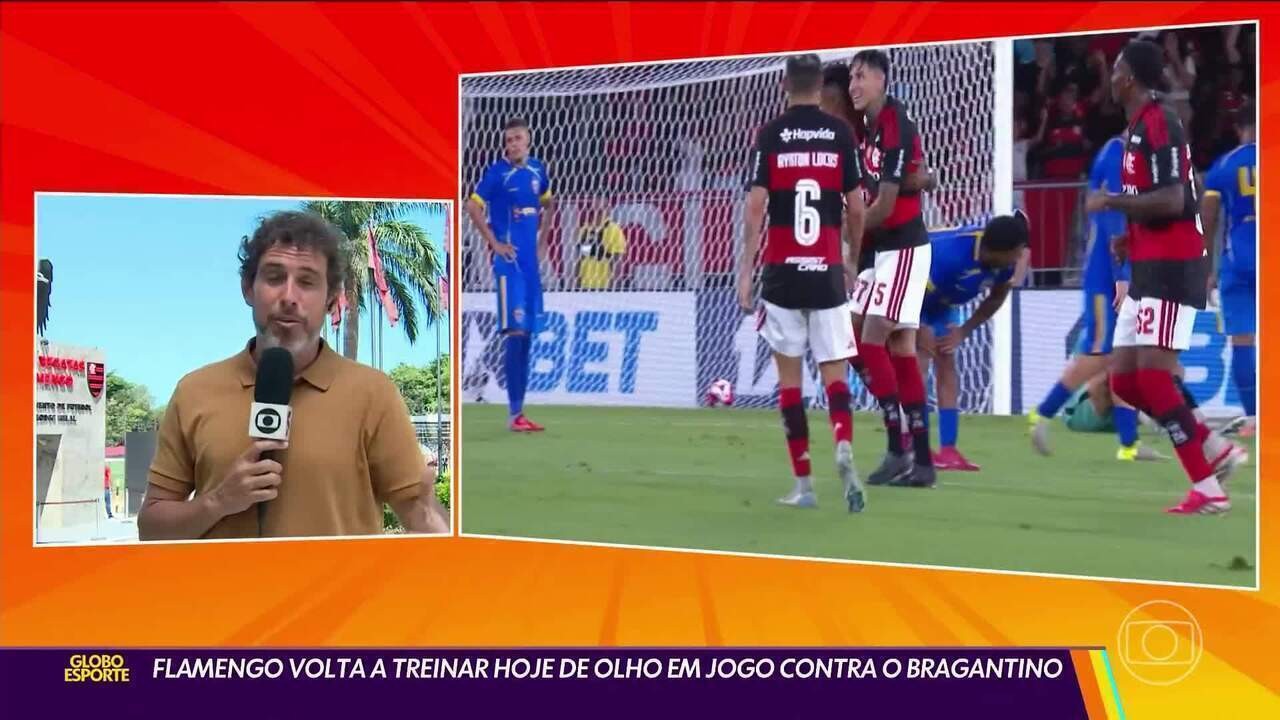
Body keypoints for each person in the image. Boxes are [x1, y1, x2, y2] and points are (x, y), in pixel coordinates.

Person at [137, 211, 449, 540]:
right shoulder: (195, 391)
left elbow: (422, 516)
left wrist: (430, 514)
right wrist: (218, 501)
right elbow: (151, 530)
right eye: (274, 278)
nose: (288, 297)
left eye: (307, 282)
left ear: (331, 299)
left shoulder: (373, 393)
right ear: (248, 289)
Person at [1086, 40, 1242, 515]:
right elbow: (1160, 198)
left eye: (1116, 69)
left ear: (1131, 77)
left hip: (1173, 266)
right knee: (1126, 381)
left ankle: (1208, 488)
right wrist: (1130, 237)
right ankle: (1214, 448)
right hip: (1148, 263)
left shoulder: (1160, 122)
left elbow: (1174, 199)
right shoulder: (1136, 127)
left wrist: (1112, 202)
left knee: (1154, 378)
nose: (1112, 77)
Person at [736, 53, 867, 512]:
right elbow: (857, 206)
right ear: (819, 85)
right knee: (835, 374)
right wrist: (851, 258)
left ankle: (805, 484)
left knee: (790, 383)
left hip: (782, 275)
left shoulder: (771, 135)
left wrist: (746, 270)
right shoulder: (841, 134)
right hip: (826, 271)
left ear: (784, 85)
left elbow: (755, 207)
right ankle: (843, 442)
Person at [1029, 134, 1155, 462]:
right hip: (1105, 277)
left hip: (1121, 271)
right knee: (1099, 354)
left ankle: (1129, 444)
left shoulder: (1129, 154)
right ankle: (1043, 412)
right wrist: (1122, 277)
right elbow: (1113, 216)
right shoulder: (1118, 154)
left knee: (1124, 356)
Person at [846, 49, 936, 488]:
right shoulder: (870, 128)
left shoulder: (895, 122)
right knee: (884, 345)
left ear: (882, 78)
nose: (855, 85)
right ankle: (920, 459)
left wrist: (848, 234)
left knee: (870, 339)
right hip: (882, 251)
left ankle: (900, 448)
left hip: (903, 248)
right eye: (851, 78)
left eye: (861, 76)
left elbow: (884, 204)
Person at [916, 213, 1031, 471]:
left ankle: (948, 450)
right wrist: (919, 328)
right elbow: (913, 292)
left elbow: (996, 297)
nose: (1019, 258)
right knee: (920, 361)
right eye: (1016, 252)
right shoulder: (951, 257)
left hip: (941, 303)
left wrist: (963, 331)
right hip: (913, 292)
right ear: (1000, 252)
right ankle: (914, 445)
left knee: (946, 360)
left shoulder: (1005, 263)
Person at [465, 117, 555, 432]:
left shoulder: (538, 171)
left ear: (528, 140)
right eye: (509, 140)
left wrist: (543, 241)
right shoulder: (497, 174)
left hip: (530, 268)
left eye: (517, 138)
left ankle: (519, 413)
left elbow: (549, 204)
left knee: (526, 336)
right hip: (509, 266)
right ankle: (514, 414)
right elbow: (472, 207)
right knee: (515, 334)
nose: (513, 144)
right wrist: (494, 243)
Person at [1201, 101, 1256, 437]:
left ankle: (1253, 419)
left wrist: (1207, 268)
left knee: (1242, 341)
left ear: (1238, 128)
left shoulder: (1223, 165)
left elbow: (1207, 219)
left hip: (1238, 261)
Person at [576, 198, 627, 290]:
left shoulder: (614, 230)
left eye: (600, 211)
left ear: (608, 208)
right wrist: (577, 284)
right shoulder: (585, 229)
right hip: (584, 286)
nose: (596, 213)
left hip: (604, 286)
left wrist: (613, 287)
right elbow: (579, 260)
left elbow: (618, 261)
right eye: (593, 210)